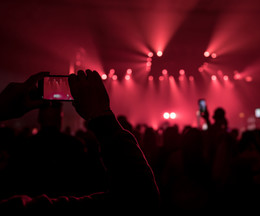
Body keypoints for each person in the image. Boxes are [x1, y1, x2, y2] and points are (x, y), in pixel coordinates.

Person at [0, 70, 160, 212]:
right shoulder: (74, 146)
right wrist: (102, 116)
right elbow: (140, 200)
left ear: (39, 117)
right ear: (61, 118)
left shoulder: (23, 147)